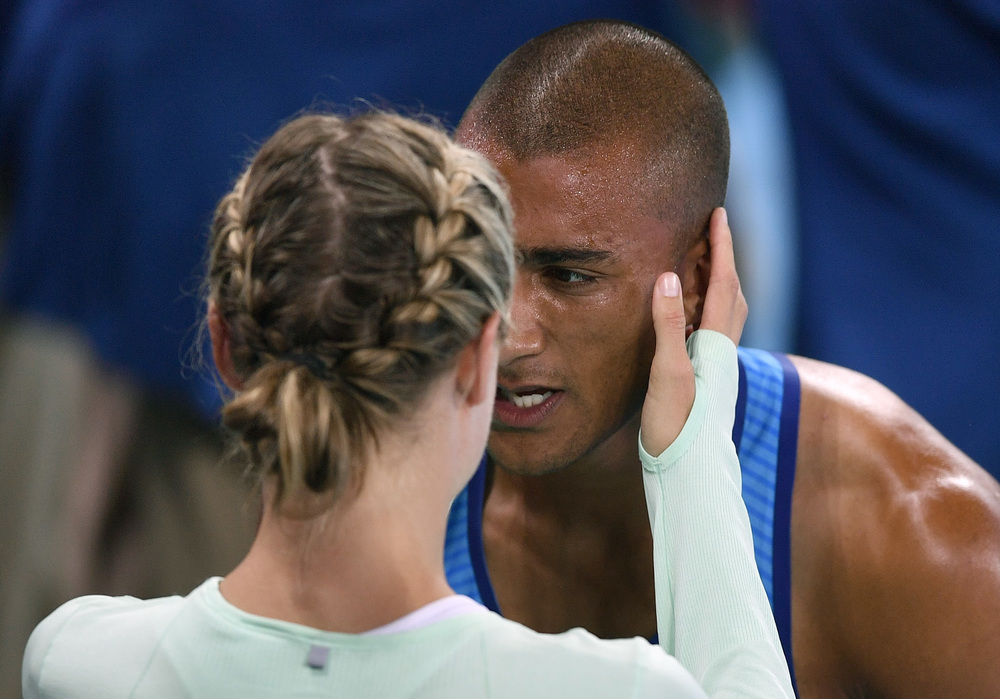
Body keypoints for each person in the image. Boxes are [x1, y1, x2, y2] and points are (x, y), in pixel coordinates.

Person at [22, 110, 793, 697]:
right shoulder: (612, 688)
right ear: (474, 361)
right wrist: (693, 437)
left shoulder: (78, 661)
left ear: (225, 349)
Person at [444, 19, 1000, 698]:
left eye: (568, 276)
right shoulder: (357, 476)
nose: (508, 333)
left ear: (703, 277)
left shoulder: (911, 527)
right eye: (481, 261)